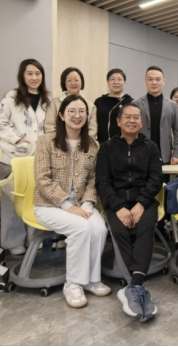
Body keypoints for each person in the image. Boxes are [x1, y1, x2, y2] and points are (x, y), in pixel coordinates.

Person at [34, 95, 110, 309]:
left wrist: (87, 204)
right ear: (61, 115)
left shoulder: (93, 145)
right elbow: (42, 179)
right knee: (81, 229)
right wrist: (68, 206)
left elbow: (93, 179)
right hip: (49, 205)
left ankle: (91, 280)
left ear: (87, 116)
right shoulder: (46, 141)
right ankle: (73, 283)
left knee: (99, 229)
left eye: (81, 112)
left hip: (81, 204)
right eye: (72, 111)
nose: (77, 116)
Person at [96, 103, 163, 322]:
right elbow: (102, 182)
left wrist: (141, 203)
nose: (132, 121)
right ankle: (137, 288)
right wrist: (118, 207)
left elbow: (156, 179)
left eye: (136, 117)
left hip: (144, 201)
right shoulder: (107, 148)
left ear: (142, 123)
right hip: (116, 203)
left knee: (145, 227)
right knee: (119, 230)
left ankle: (132, 287)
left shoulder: (151, 147)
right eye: (127, 117)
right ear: (118, 121)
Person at [0, 58, 50, 255]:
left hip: (37, 158)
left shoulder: (47, 100)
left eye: (37, 73)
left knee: (36, 198)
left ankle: (35, 238)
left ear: (42, 76)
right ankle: (13, 242)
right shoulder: (12, 97)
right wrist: (17, 140)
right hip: (13, 156)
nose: (34, 77)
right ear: (22, 76)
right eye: (30, 73)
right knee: (12, 200)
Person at [133, 66, 178, 166]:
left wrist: (177, 154)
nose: (154, 82)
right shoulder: (136, 104)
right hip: (141, 155)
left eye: (158, 79)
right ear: (145, 81)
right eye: (150, 79)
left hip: (165, 156)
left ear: (163, 81)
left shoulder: (172, 105)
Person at [45, 67, 98, 139]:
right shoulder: (54, 103)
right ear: (64, 83)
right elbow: (49, 127)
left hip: (82, 144)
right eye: (69, 80)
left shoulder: (91, 106)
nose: (73, 83)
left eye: (76, 80)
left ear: (81, 82)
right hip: (58, 143)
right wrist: (59, 142)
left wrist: (80, 143)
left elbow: (92, 130)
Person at [94, 69, 133, 143]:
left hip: (122, 144)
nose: (116, 82)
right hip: (102, 144)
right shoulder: (99, 101)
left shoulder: (130, 102)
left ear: (124, 82)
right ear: (107, 82)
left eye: (119, 79)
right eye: (112, 79)